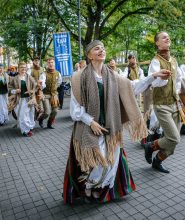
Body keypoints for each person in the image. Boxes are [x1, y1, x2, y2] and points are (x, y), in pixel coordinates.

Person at [63, 40, 171, 204]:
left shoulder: (113, 76)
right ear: (89, 55)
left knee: (111, 161)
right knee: (96, 163)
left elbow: (132, 86)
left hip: (111, 127)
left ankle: (100, 188)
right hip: (89, 127)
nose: (101, 50)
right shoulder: (79, 77)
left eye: (103, 48)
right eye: (96, 48)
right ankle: (89, 187)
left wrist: (152, 76)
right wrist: (91, 122)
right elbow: (75, 108)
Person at [143, 31, 182, 173]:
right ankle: (150, 146)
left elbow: (178, 80)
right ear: (157, 43)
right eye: (163, 37)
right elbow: (154, 83)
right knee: (174, 138)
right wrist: (162, 78)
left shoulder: (174, 61)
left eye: (168, 36)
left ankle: (157, 161)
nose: (167, 38)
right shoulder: (155, 61)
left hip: (175, 104)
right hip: (162, 105)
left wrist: (177, 92)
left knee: (172, 145)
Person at [8, 62, 36, 136]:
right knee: (22, 116)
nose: (23, 69)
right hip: (19, 100)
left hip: (29, 100)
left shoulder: (29, 77)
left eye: (24, 67)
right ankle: (25, 131)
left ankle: (28, 127)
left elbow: (35, 86)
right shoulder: (15, 79)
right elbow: (9, 89)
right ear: (18, 69)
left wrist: (31, 91)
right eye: (21, 67)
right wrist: (15, 91)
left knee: (30, 115)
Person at [39, 58, 62, 129]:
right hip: (45, 94)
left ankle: (49, 124)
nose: (50, 64)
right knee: (47, 112)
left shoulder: (58, 73)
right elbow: (42, 84)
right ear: (47, 64)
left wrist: (54, 89)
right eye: (49, 63)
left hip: (54, 94)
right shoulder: (44, 74)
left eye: (52, 62)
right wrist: (41, 90)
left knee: (55, 111)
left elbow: (59, 82)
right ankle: (41, 119)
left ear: (54, 63)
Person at [31, 56, 45, 127]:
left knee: (41, 107)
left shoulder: (42, 69)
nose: (36, 61)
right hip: (33, 91)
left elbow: (44, 79)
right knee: (33, 107)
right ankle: (32, 122)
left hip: (40, 90)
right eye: (35, 60)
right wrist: (35, 84)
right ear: (33, 61)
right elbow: (29, 80)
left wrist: (42, 85)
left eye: (38, 60)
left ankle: (41, 121)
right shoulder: (30, 70)